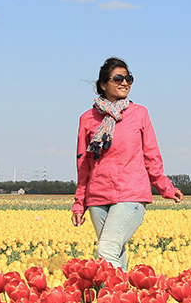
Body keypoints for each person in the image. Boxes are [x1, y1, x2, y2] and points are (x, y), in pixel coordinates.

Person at [71, 58, 183, 271]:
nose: (125, 83)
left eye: (129, 79)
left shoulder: (139, 113)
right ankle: (122, 301)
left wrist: (166, 188)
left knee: (107, 249)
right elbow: (83, 164)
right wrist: (79, 202)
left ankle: (109, 297)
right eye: (118, 78)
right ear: (103, 84)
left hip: (131, 194)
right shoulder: (87, 118)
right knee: (116, 253)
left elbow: (151, 156)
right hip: (97, 196)